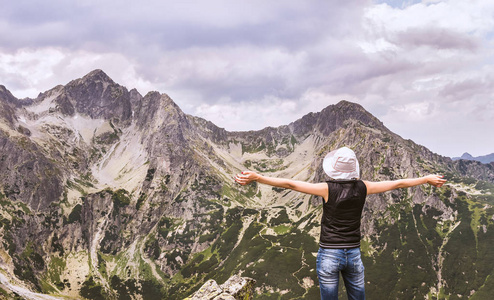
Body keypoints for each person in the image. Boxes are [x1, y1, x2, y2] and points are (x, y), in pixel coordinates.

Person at [234, 146, 446, 300]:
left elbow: (291, 184)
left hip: (329, 254)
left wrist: (258, 178)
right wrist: (426, 178)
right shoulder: (364, 187)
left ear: (334, 169)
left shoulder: (327, 189)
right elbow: (398, 183)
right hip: (353, 254)